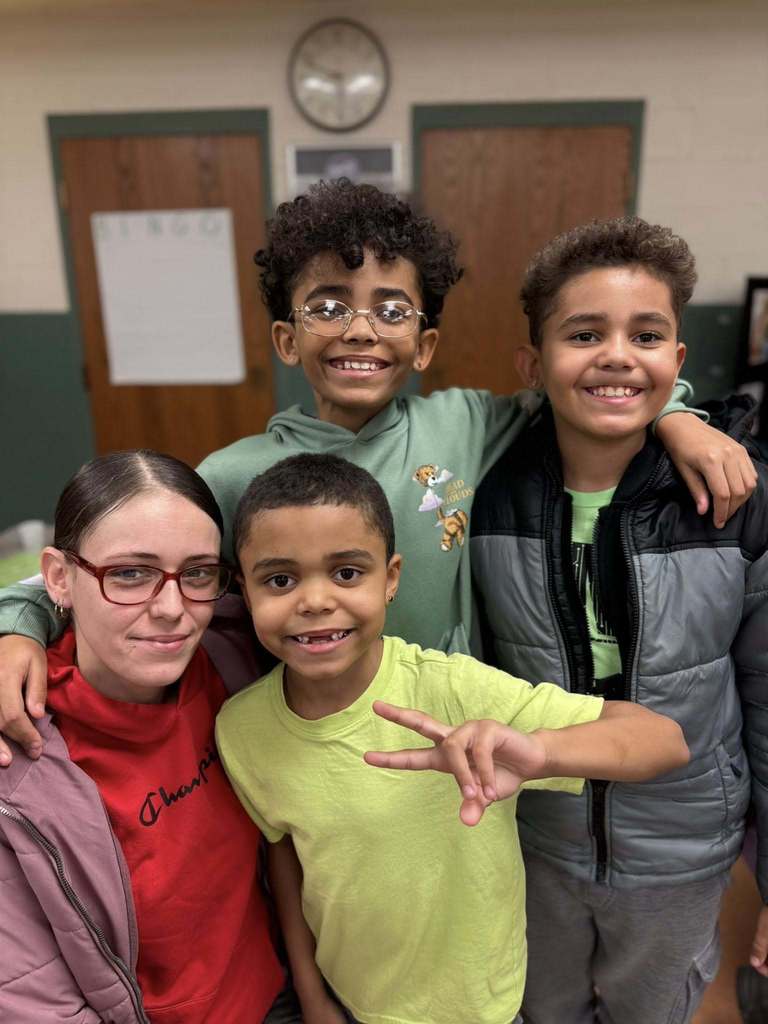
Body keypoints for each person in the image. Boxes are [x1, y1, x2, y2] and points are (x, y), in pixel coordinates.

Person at [0, 180, 754, 764]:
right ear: (287, 339)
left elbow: (596, 386)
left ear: (424, 346)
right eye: (329, 306)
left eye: (392, 311)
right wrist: (17, 627)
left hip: (463, 742)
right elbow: (105, 567)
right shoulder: (232, 476)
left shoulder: (467, 424)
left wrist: (677, 415)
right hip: (307, 750)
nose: (361, 328)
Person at [215, 452, 690, 1024]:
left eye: (346, 572)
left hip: (481, 1007)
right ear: (243, 588)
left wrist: (539, 752)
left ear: (390, 579)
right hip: (353, 1001)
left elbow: (662, 740)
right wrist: (314, 997)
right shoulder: (240, 728)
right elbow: (285, 854)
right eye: (281, 579)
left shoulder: (455, 689)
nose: (315, 601)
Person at [469, 216, 768, 1024]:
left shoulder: (735, 500)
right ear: (533, 363)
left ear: (677, 361)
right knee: (541, 1008)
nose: (615, 355)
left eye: (646, 334)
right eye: (583, 333)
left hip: (682, 850)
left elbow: (766, 695)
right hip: (534, 842)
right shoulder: (488, 495)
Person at [0, 450, 295, 1024]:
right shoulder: (17, 758)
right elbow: (33, 999)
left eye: (197, 573)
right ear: (58, 577)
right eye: (129, 574)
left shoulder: (238, 659)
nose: (171, 610)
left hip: (279, 997)